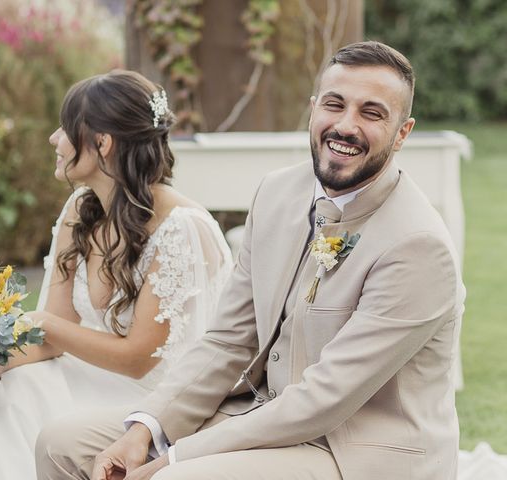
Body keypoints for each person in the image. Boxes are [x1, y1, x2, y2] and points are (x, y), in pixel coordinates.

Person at [35, 42, 465, 480]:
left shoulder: (418, 246)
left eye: (372, 113)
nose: (346, 125)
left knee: (174, 478)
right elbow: (227, 340)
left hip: (352, 451)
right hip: (253, 413)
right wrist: (146, 429)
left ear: (403, 132)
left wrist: (178, 456)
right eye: (334, 105)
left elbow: (324, 400)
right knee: (62, 444)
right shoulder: (277, 193)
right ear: (314, 109)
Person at [0, 70, 233, 480]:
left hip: (149, 397)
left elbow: (138, 360)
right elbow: (56, 328)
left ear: (102, 143)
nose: (54, 139)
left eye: (65, 128)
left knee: (20, 396)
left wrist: (43, 326)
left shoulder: (181, 226)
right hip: (84, 375)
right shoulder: (81, 210)